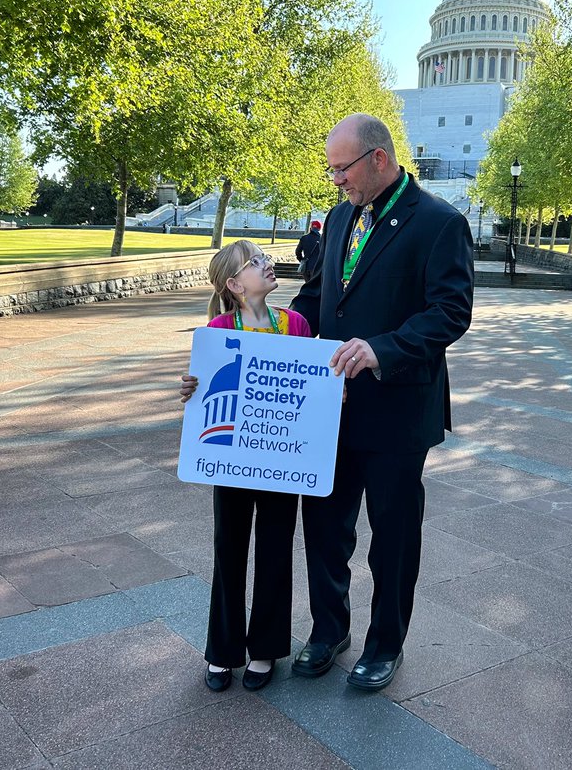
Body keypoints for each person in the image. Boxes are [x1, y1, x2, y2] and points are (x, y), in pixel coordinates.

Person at [289, 113, 474, 691]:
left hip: (398, 411)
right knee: (324, 530)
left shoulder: (440, 223)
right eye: (330, 170)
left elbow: (450, 312)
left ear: (378, 158)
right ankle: (329, 631)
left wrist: (382, 349)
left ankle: (385, 645)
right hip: (331, 407)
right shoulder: (340, 217)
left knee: (392, 539)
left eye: (341, 169)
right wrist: (262, 338)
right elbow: (318, 296)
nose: (336, 180)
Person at [179, 240, 313, 693]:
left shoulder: (296, 324)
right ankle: (222, 650)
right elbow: (205, 388)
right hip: (232, 461)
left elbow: (307, 387)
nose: (267, 264)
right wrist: (191, 388)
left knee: (275, 552)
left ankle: (266, 648)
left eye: (264, 258)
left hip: (281, 460)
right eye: (255, 262)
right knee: (229, 551)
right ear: (235, 285)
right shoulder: (218, 329)